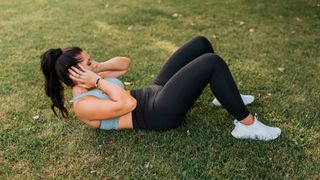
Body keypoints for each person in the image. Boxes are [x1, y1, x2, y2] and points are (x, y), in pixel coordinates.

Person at [40, 36, 281, 141]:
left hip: (154, 91)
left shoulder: (92, 76)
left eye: (91, 60)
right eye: (89, 63)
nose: (94, 65)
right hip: (158, 113)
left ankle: (226, 95)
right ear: (77, 77)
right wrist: (97, 80)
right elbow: (128, 104)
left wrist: (97, 68)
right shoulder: (84, 106)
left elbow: (124, 64)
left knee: (201, 44)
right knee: (211, 62)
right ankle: (247, 126)